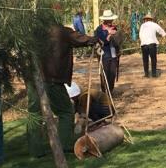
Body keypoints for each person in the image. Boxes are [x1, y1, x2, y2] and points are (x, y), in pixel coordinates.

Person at [28, 24, 97, 156]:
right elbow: (81, 39)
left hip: (33, 78)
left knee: (34, 114)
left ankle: (35, 150)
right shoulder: (61, 31)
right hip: (52, 80)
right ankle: (65, 144)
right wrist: (95, 39)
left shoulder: (35, 30)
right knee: (66, 112)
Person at [94, 10, 122, 94]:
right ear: (104, 20)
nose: (110, 21)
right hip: (103, 54)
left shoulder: (114, 28)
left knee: (112, 73)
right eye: (108, 19)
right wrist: (109, 34)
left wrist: (118, 49)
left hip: (114, 55)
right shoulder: (99, 30)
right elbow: (101, 42)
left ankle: (110, 91)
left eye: (111, 19)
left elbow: (118, 41)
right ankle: (104, 92)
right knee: (104, 73)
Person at [139, 13, 166, 78]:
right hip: (152, 44)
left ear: (145, 19)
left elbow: (140, 35)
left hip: (144, 44)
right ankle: (154, 74)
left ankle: (146, 74)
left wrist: (142, 41)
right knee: (153, 59)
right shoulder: (154, 24)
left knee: (145, 60)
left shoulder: (142, 25)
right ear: (151, 19)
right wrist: (164, 40)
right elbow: (162, 32)